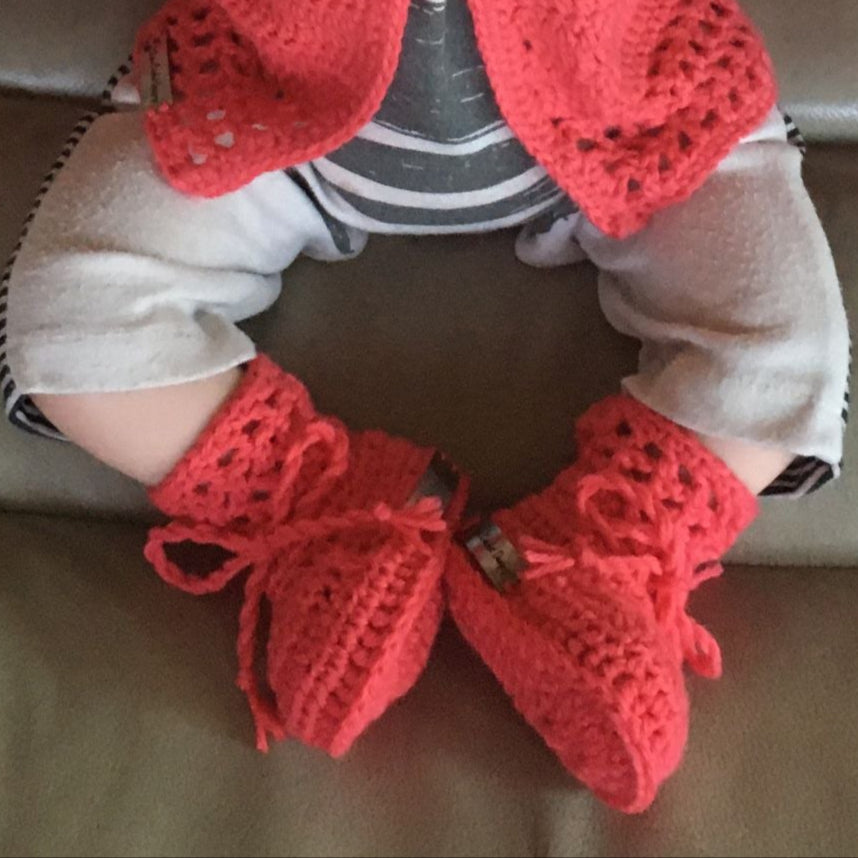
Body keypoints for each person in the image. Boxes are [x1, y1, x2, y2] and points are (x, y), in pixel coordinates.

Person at [0, 0, 848, 813]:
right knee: (68, 330)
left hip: (629, 106)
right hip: (279, 109)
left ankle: (607, 544)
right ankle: (321, 509)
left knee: (789, 357)